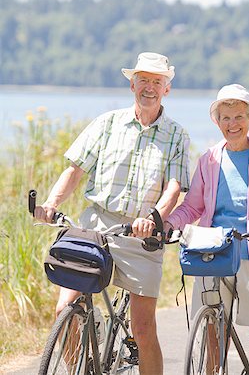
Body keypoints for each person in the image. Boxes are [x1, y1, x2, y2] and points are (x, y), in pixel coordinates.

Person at [34, 52, 190, 375]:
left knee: (143, 330)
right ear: (132, 84)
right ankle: (84, 366)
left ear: (167, 89)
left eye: (156, 82)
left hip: (141, 233)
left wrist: (155, 218)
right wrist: (51, 204)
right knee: (65, 307)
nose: (149, 87)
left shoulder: (177, 135)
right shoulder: (107, 123)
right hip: (96, 226)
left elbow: (174, 187)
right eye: (143, 80)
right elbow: (75, 171)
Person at [165, 84, 249, 374]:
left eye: (239, 117)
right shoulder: (209, 159)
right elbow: (192, 207)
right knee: (213, 349)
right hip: (214, 255)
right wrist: (168, 223)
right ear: (217, 122)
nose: (232, 124)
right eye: (226, 118)